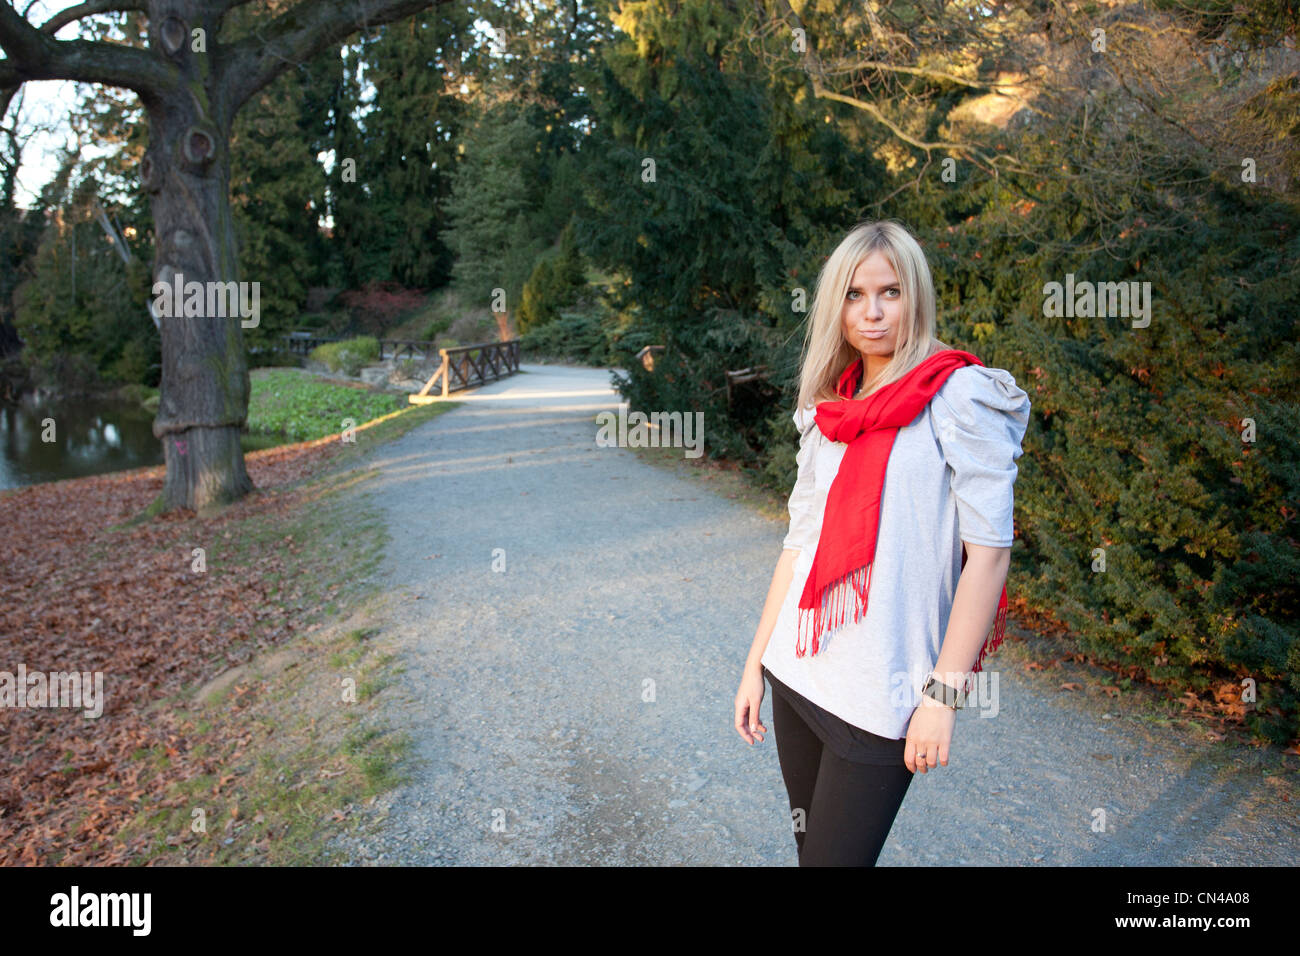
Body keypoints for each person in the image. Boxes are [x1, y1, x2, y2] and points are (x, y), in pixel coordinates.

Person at [733, 219, 1031, 866]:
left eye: (890, 292)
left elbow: (991, 554)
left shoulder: (960, 395)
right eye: (854, 294)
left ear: (915, 296)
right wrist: (755, 663)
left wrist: (943, 698)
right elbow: (798, 544)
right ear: (835, 304)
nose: (871, 313)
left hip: (883, 696)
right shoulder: (828, 409)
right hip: (799, 675)